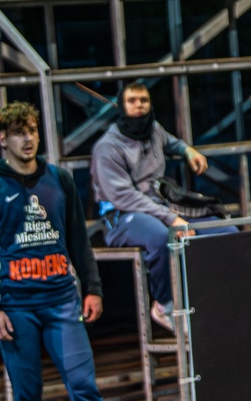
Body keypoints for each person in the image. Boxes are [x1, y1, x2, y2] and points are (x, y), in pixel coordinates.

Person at [0, 102, 150, 401]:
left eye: (32, 130)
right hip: (17, 306)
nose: (28, 138)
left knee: (84, 385)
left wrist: (93, 288)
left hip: (61, 300)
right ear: (3, 139)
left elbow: (78, 240)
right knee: (27, 393)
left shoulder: (59, 179)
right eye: (19, 132)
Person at [90, 81, 210, 333]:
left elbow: (171, 142)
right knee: (161, 237)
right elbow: (125, 197)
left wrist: (188, 150)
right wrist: (170, 218)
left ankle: (213, 300)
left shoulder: (154, 130)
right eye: (132, 101)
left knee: (221, 229)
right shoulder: (107, 147)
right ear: (123, 106)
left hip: (159, 207)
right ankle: (165, 305)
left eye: (143, 100)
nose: (139, 106)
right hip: (121, 216)